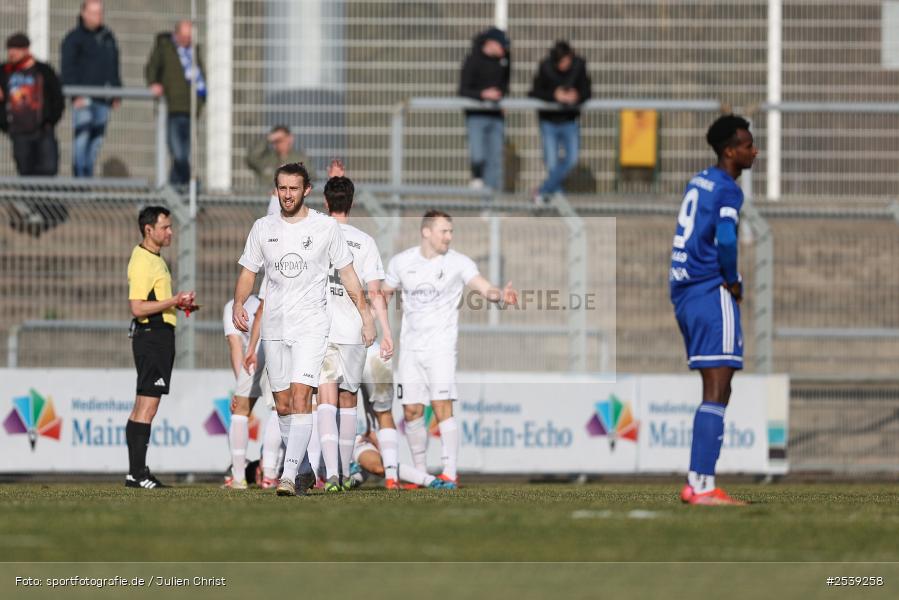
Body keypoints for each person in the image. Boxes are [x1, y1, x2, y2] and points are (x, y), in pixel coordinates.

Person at [232, 162, 376, 497]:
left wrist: (366, 315)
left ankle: (289, 474)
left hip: (312, 325)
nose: (287, 194)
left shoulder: (325, 228)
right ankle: (306, 469)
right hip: (274, 326)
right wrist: (240, 303)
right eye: (282, 188)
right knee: (282, 404)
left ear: (306, 190)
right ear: (275, 190)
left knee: (301, 398)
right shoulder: (262, 227)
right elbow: (248, 272)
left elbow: (349, 275)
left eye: (293, 188)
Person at [383, 210, 517, 487]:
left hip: (441, 349)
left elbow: (483, 288)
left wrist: (501, 296)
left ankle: (450, 473)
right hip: (410, 350)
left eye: (451, 231)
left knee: (442, 406)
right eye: (444, 231)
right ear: (426, 232)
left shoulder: (458, 263)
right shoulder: (402, 262)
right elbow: (381, 296)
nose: (449, 236)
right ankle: (421, 475)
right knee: (411, 412)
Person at [669, 114, 758, 506]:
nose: (754, 150)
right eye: (747, 145)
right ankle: (702, 485)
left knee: (716, 385)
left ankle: (698, 481)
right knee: (718, 386)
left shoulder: (699, 179)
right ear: (729, 151)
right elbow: (725, 237)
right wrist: (733, 279)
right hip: (710, 288)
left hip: (684, 291)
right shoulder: (727, 189)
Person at [316, 171, 394, 492]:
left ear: (324, 202)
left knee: (324, 400)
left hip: (321, 330)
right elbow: (375, 292)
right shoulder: (365, 241)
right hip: (354, 332)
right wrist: (386, 332)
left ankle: (331, 474)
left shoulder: (315, 232)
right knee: (348, 401)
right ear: (353, 203)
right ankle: (346, 474)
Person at [126, 206, 197, 489]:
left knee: (143, 405)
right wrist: (173, 301)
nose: (170, 232)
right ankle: (138, 473)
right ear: (149, 230)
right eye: (165, 227)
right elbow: (137, 306)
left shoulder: (155, 259)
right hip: (152, 336)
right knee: (148, 406)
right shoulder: (143, 260)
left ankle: (136, 472)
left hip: (158, 335)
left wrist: (179, 303)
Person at [222, 292, 281, 490]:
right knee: (279, 411)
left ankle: (238, 478)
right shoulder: (267, 296)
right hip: (278, 350)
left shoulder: (233, 306)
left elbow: (235, 345)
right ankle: (270, 474)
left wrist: (240, 387)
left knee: (240, 413)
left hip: (255, 355)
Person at [60, 0, 121, 177]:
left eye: (100, 12)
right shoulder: (74, 39)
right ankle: (80, 180)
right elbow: (68, 69)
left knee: (96, 141)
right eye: (93, 13)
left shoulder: (108, 37)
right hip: (83, 99)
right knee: (82, 138)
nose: (98, 17)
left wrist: (117, 91)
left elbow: (114, 67)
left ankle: (88, 179)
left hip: (103, 99)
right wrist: (75, 95)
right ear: (84, 13)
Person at [528, 41, 591, 205]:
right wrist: (554, 96)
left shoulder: (579, 66)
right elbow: (534, 92)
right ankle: (558, 199)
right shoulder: (546, 67)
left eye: (567, 61)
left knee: (572, 160)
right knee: (552, 163)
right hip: (549, 121)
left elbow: (587, 91)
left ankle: (541, 191)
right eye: (561, 62)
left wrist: (577, 96)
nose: (565, 65)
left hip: (569, 120)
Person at [145, 20, 205, 185]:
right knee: (178, 154)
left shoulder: (193, 52)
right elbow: (151, 68)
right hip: (171, 110)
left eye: (190, 37)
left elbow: (201, 79)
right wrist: (153, 84)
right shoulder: (165, 48)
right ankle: (193, 186)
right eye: (184, 36)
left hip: (191, 111)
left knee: (185, 155)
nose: (187, 40)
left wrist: (200, 103)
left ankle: (175, 190)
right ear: (176, 34)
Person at [0, 33, 63, 176]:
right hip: (18, 132)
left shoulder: (43, 71)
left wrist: (50, 121)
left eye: (16, 49)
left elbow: (57, 97)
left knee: (48, 169)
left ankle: (46, 198)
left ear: (26, 50)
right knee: (25, 170)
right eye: (10, 49)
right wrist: (5, 124)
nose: (12, 53)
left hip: (43, 131)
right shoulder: (4, 72)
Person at [458, 27, 510, 191]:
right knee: (478, 156)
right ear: (490, 44)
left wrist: (502, 99)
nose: (504, 50)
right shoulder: (473, 60)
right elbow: (463, 90)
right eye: (501, 46)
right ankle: (478, 180)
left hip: (496, 116)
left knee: (495, 160)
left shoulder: (505, 59)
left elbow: (505, 83)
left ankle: (493, 205)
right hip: (476, 116)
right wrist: (483, 94)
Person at [247, 125, 316, 189]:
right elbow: (251, 157)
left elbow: (311, 178)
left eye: (282, 139)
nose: (279, 143)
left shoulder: (300, 159)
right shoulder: (266, 159)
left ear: (290, 139)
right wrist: (268, 139)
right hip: (267, 199)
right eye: (276, 140)